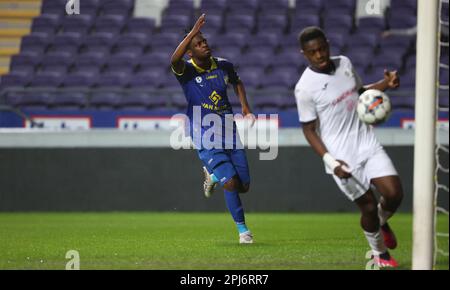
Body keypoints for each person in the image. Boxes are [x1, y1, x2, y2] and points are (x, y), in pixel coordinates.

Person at [294, 27, 404, 268]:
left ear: (328, 44)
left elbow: (361, 93)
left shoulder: (344, 63)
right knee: (367, 206)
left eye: (322, 48)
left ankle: (380, 222)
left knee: (394, 194)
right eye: (313, 52)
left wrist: (386, 83)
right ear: (304, 54)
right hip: (341, 156)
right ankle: (380, 255)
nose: (320, 55)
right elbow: (309, 130)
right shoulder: (305, 88)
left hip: (366, 141)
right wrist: (332, 163)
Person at [170, 14, 256, 244]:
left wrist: (246, 107)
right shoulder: (186, 71)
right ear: (190, 51)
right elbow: (173, 60)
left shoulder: (224, 65)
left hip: (229, 130)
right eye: (197, 44)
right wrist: (190, 34)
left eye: (203, 40)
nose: (204, 44)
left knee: (243, 185)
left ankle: (213, 175)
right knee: (230, 183)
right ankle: (243, 231)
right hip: (204, 133)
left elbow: (237, 82)